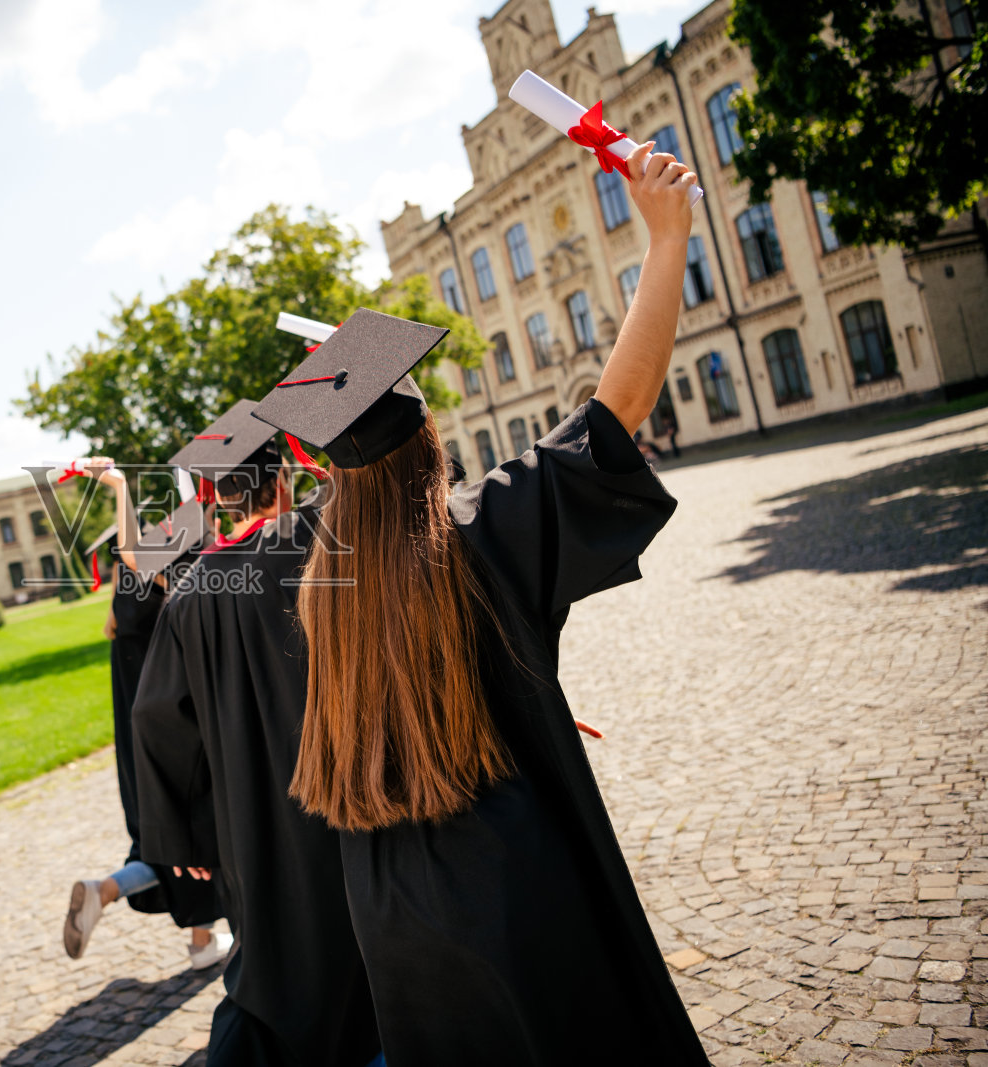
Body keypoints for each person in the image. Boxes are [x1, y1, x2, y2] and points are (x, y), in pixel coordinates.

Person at [250, 143, 707, 1064]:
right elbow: (615, 413)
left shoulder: (323, 584)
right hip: (516, 886)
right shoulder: (478, 530)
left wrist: (528, 695)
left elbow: (417, 684)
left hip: (392, 911)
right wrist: (666, 241)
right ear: (428, 436)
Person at [131, 400, 381, 1067]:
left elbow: (156, 716)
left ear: (217, 497)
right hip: (363, 787)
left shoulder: (189, 596)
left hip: (254, 821)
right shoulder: (334, 540)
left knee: (276, 960)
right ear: (282, 481)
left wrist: (183, 833)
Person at [61, 470, 227, 969]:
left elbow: (121, 592)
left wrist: (119, 492)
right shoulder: (175, 590)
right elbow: (141, 556)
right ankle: (117, 895)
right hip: (178, 730)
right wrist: (119, 489)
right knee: (200, 827)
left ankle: (193, 937)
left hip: (136, 737)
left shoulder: (125, 602)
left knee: (165, 833)